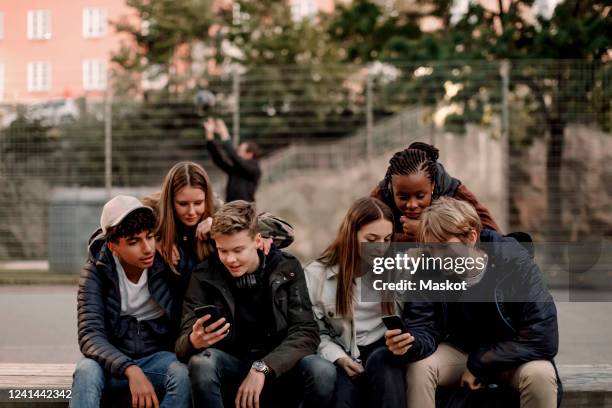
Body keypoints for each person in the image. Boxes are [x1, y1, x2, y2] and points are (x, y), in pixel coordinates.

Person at [386, 197, 560, 408]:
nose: (437, 257)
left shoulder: (513, 260)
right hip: (460, 351)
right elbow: (423, 325)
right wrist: (410, 343)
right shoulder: (429, 267)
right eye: (431, 248)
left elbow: (543, 336)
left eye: (443, 246)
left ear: (471, 237)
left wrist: (480, 364)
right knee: (420, 367)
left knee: (541, 374)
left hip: (512, 354)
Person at [175, 200, 336, 408]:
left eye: (238, 250)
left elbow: (306, 331)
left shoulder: (286, 267)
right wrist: (193, 341)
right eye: (223, 251)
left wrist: (263, 367)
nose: (230, 259)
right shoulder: (203, 275)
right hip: (232, 366)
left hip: (278, 367)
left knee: (322, 371)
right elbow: (181, 346)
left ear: (258, 240)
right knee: (202, 363)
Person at [70, 195, 191, 408]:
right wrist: (130, 369)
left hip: (156, 359)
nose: (147, 248)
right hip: (109, 364)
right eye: (134, 242)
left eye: (150, 237)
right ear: (113, 246)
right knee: (85, 371)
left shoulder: (168, 261)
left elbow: (215, 253)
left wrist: (265, 235)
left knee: (183, 374)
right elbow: (90, 335)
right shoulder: (95, 272)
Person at [304, 197, 406, 408]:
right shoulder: (316, 275)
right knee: (342, 397)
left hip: (384, 348)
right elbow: (314, 331)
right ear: (351, 235)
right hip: (344, 350)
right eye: (371, 239)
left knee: (385, 370)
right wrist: (339, 358)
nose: (380, 248)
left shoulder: (399, 269)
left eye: (387, 239)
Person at [146, 161, 294, 277]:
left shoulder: (216, 207)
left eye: (198, 203)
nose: (191, 212)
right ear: (170, 201)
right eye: (183, 204)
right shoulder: (151, 211)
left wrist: (219, 224)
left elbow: (287, 233)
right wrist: (154, 238)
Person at [371, 142, 500, 242]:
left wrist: (427, 231)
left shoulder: (454, 192)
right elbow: (361, 240)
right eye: (403, 197)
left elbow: (492, 237)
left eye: (420, 196)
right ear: (392, 189)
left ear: (432, 185)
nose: (412, 205)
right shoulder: (381, 196)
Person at [204, 118, 261, 202]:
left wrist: (224, 132)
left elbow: (234, 157)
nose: (237, 153)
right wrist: (209, 134)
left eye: (240, 151)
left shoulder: (254, 169)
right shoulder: (236, 169)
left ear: (250, 154)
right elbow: (218, 159)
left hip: (245, 211)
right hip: (230, 209)